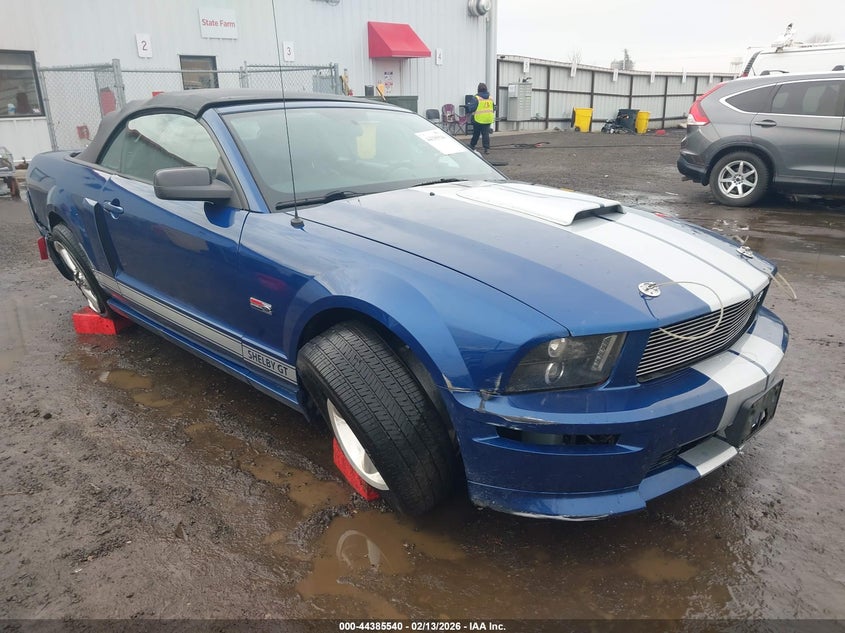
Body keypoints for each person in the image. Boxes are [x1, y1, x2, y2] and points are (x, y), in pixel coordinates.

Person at [467, 82, 494, 154]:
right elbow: (493, 107)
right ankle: (486, 148)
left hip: (478, 119)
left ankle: (472, 145)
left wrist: (468, 106)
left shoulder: (476, 98)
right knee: (486, 134)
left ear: (478, 89)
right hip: (488, 118)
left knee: (476, 133)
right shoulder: (490, 98)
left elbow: (471, 108)